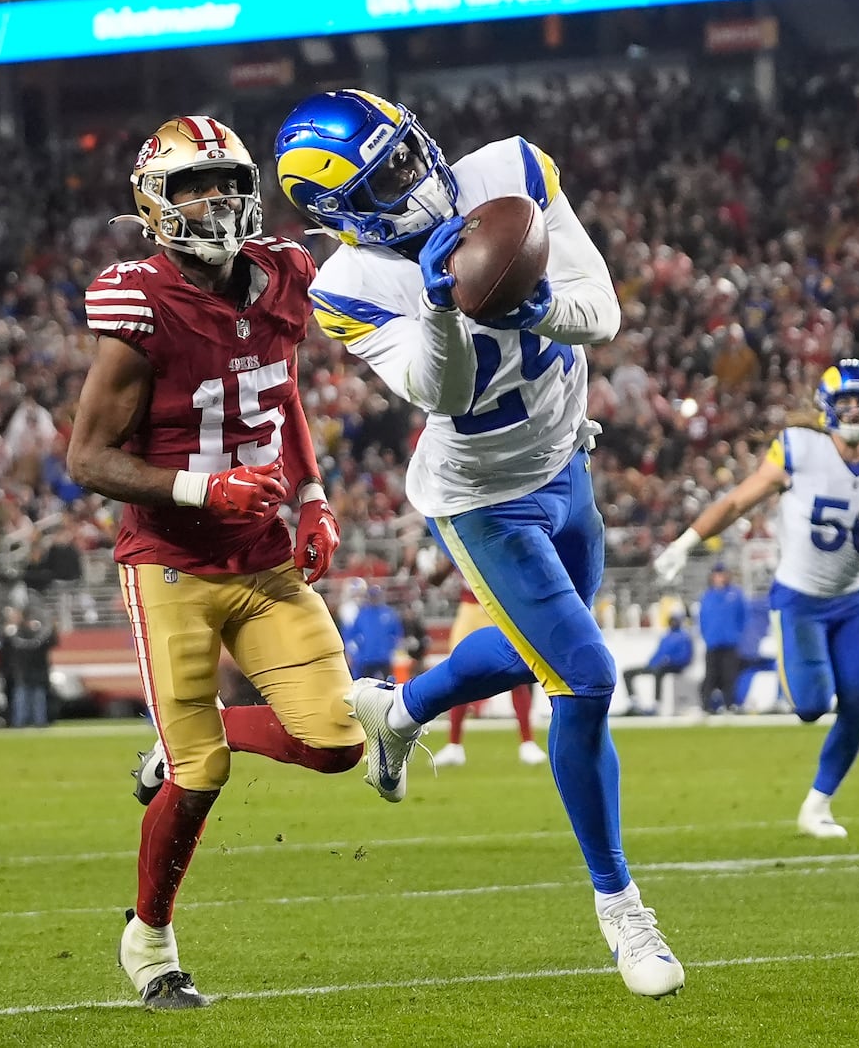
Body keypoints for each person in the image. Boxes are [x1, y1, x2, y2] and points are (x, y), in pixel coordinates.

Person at [276, 89, 682, 998]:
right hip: (484, 499)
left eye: (410, 149)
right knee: (585, 675)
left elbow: (602, 312)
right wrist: (446, 309)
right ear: (342, 211)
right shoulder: (347, 283)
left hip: (566, 465)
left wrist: (526, 301)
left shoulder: (510, 171)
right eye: (388, 175)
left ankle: (401, 708)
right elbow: (442, 394)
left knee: (544, 652)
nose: (419, 174)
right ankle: (622, 910)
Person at [66, 115, 365, 1009]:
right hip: (170, 562)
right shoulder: (137, 301)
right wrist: (202, 491)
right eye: (196, 185)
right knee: (203, 780)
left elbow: (283, 394)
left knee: (338, 744)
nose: (217, 200)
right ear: (156, 202)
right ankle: (150, 940)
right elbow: (86, 458)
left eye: (228, 182)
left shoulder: (282, 273)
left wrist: (311, 497)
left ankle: (180, 743)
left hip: (264, 557)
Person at [655, 360, 859, 840]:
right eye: (846, 402)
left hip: (854, 599)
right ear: (828, 410)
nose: (855, 410)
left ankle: (818, 805)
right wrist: (686, 542)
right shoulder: (801, 450)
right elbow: (737, 501)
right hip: (799, 598)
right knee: (811, 706)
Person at [430, 580, 544, 768]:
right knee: (460, 674)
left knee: (514, 672)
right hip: (470, 606)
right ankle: (454, 745)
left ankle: (527, 743)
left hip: (497, 602)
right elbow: (437, 577)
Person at [619, 615, 694, 715]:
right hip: (658, 666)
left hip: (674, 666)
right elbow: (658, 654)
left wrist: (669, 660)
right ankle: (634, 703)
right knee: (628, 672)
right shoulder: (666, 637)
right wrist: (651, 664)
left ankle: (656, 704)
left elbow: (685, 657)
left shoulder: (684, 637)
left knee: (659, 672)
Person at [697, 563, 746, 714]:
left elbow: (743, 616)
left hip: (730, 642)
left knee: (729, 675)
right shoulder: (707, 596)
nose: (719, 577)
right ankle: (706, 706)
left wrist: (736, 634)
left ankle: (730, 704)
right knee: (710, 675)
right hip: (712, 642)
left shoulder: (735, 595)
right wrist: (707, 635)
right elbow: (702, 619)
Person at [342, 585, 403, 681]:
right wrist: (356, 650)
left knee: (387, 684)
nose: (374, 598)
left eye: (376, 596)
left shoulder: (388, 613)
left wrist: (390, 646)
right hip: (366, 658)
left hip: (384, 657)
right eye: (372, 596)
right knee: (366, 686)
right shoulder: (362, 614)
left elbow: (397, 633)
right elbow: (351, 634)